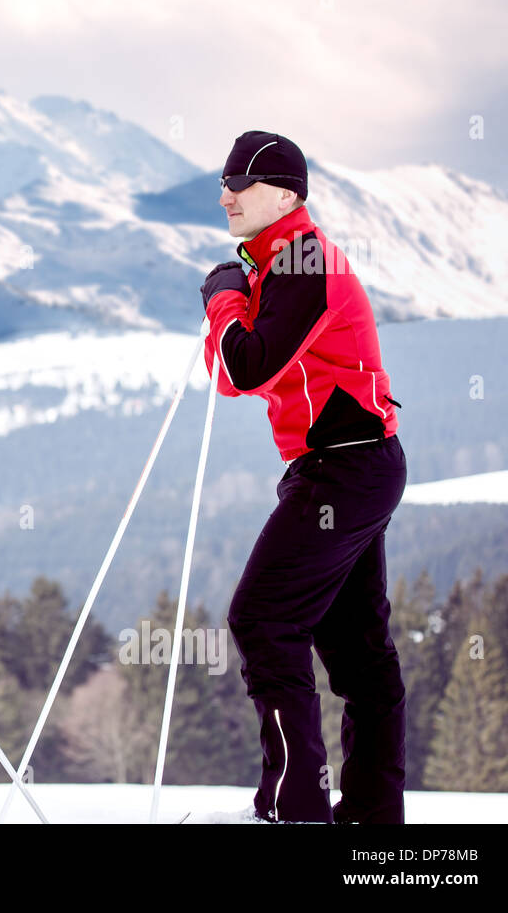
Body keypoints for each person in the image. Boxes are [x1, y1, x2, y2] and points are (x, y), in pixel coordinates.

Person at [198, 131, 408, 824]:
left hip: (342, 469)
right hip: (355, 465)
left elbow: (245, 367)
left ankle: (295, 806)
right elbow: (243, 376)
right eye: (224, 181)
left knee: (261, 617)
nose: (226, 193)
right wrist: (233, 297)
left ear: (286, 194)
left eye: (242, 182)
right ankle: (373, 818)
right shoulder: (281, 264)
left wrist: (223, 300)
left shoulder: (302, 262)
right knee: (357, 654)